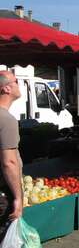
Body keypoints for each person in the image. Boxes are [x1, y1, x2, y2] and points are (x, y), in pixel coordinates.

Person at [0, 71, 23, 239]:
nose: (19, 84)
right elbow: (9, 162)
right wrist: (17, 197)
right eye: (17, 81)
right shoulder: (6, 119)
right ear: (7, 88)